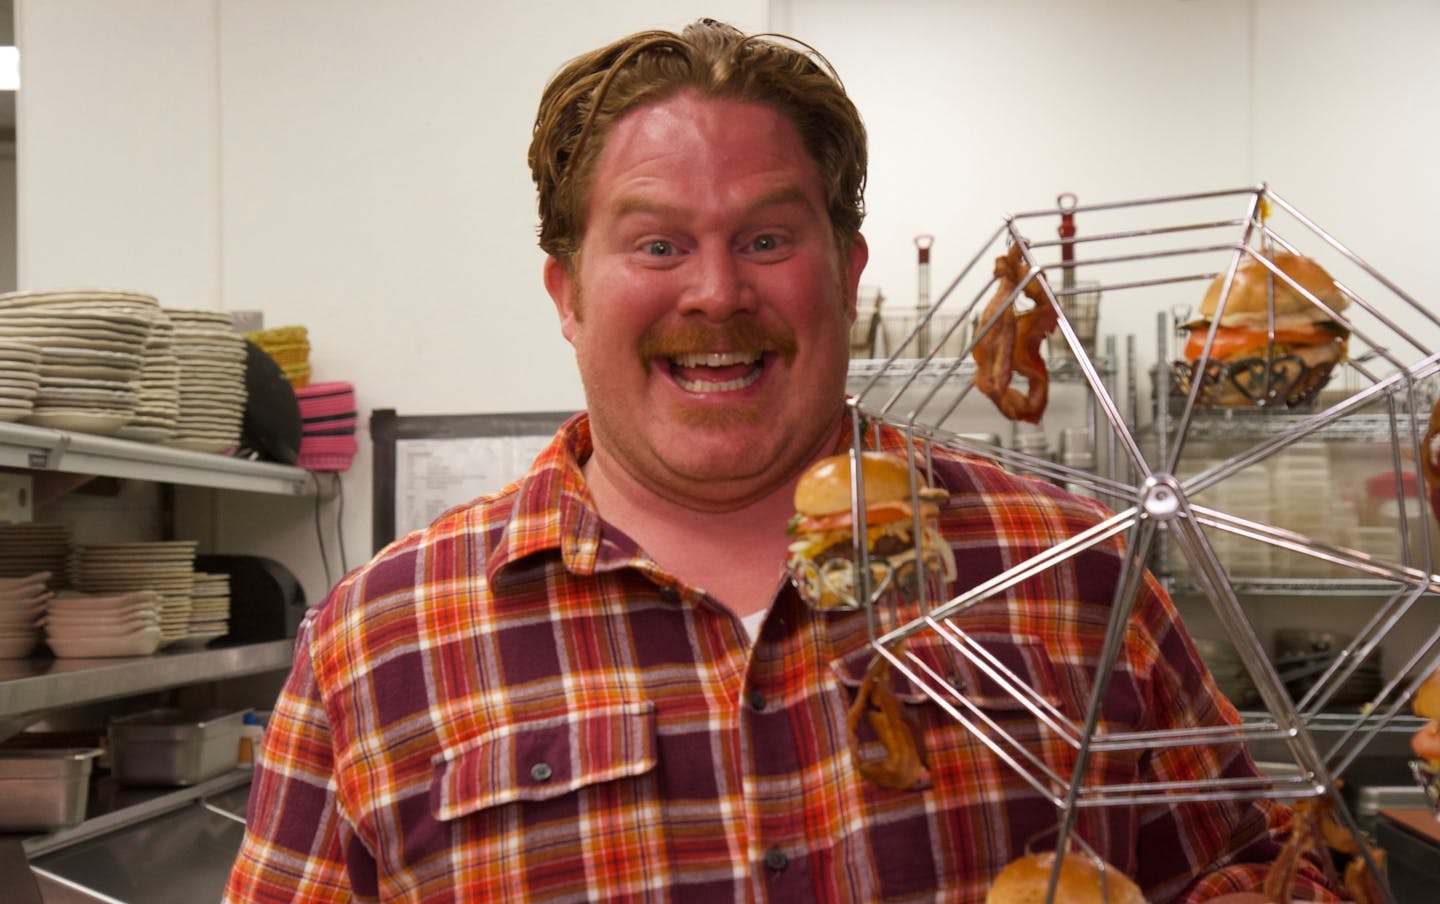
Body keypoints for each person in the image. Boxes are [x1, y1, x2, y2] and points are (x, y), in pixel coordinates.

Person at [225, 19, 1342, 902]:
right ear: (567, 294)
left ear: (846, 272)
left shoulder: (1075, 571)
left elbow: (1253, 863)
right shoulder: (377, 648)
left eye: (766, 237)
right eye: (658, 243)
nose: (717, 292)